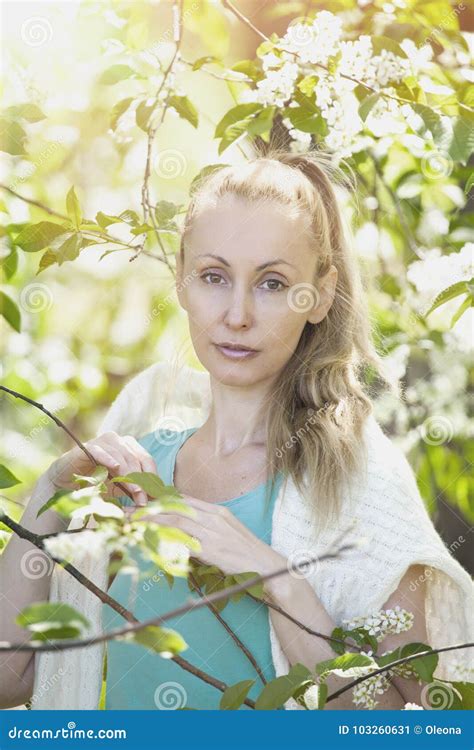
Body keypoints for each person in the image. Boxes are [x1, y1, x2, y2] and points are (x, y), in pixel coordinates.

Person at [1, 151, 472, 711]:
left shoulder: (358, 478)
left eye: (272, 284)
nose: (237, 315)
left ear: (320, 294)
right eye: (214, 277)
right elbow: (10, 684)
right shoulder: (133, 474)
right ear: (181, 279)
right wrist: (50, 496)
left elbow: (390, 718)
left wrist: (274, 576)